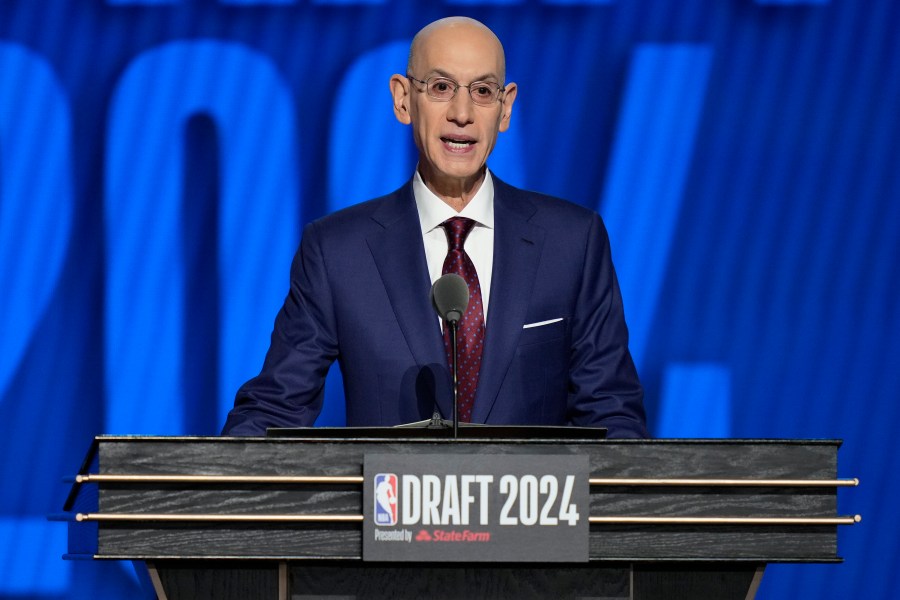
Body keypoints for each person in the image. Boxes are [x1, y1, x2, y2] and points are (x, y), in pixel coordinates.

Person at [222, 17, 648, 438]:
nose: (461, 114)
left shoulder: (573, 242)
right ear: (403, 99)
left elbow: (613, 414)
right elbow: (275, 407)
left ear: (505, 108)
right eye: (441, 88)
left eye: (482, 92)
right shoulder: (338, 252)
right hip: (392, 505)